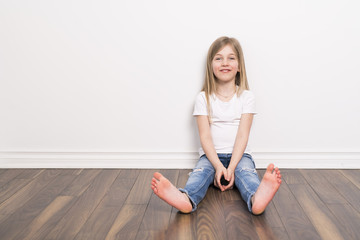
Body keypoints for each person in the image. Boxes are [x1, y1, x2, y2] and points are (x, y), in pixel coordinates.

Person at [151, 36, 281, 215]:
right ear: (211, 66)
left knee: (247, 173)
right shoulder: (203, 98)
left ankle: (256, 198)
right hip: (210, 156)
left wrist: (232, 167)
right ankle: (186, 198)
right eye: (218, 58)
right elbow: (205, 136)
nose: (225, 63)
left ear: (239, 66)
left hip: (240, 156)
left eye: (231, 58)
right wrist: (219, 166)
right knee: (200, 173)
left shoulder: (247, 97)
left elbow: (243, 135)